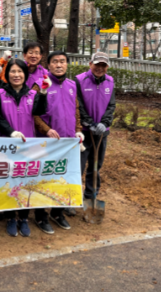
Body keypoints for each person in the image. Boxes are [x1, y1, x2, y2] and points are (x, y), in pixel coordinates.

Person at [0, 59, 49, 237]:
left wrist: (43, 93)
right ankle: (10, 217)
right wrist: (11, 132)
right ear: (7, 74)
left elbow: (39, 111)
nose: (16, 75)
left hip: (27, 146)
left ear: (25, 74)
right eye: (12, 71)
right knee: (9, 181)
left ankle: (23, 218)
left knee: (25, 182)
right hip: (7, 145)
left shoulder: (32, 94)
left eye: (20, 72)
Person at [33, 51, 84, 234]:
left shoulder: (72, 85)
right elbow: (34, 113)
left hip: (68, 142)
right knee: (44, 179)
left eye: (62, 61)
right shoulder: (40, 84)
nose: (59, 65)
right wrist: (46, 129)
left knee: (64, 178)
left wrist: (78, 129)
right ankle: (40, 215)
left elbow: (76, 110)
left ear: (67, 64)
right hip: (48, 142)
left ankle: (58, 212)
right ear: (48, 65)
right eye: (55, 62)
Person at [75, 52, 116, 206]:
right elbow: (78, 104)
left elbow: (111, 105)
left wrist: (104, 123)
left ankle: (91, 196)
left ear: (107, 67)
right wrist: (89, 122)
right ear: (90, 64)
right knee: (78, 166)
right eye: (97, 64)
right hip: (83, 133)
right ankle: (73, 197)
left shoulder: (110, 81)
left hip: (101, 132)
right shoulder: (79, 80)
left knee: (95, 166)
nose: (100, 68)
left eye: (103, 65)